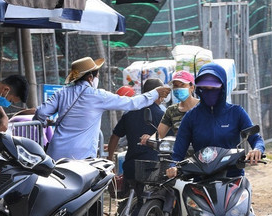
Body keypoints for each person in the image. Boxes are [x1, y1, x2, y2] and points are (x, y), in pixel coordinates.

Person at [34, 57, 170, 161]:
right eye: (97, 75)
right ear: (90, 77)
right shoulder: (97, 95)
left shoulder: (62, 92)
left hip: (56, 153)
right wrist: (155, 93)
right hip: (81, 157)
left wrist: (44, 122)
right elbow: (131, 103)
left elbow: (41, 112)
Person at [165, 63, 264, 179]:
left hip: (232, 178)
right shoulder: (191, 117)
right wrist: (173, 166)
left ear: (222, 88)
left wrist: (257, 149)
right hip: (201, 180)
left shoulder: (236, 113)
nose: (209, 93)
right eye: (205, 89)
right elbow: (178, 152)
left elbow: (256, 138)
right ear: (199, 89)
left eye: (214, 89)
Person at [105, 78, 164, 216]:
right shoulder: (161, 114)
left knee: (140, 197)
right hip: (151, 166)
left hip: (130, 166)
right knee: (151, 198)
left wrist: (110, 160)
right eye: (162, 94)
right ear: (157, 94)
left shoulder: (130, 113)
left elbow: (114, 137)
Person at [143, 70, 197, 145]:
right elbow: (159, 134)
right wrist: (149, 139)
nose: (178, 88)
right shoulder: (171, 110)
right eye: (175, 85)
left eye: (182, 85)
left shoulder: (203, 107)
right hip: (181, 153)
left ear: (192, 87)